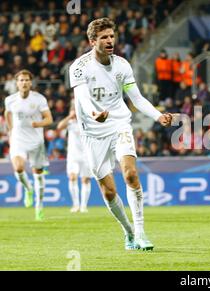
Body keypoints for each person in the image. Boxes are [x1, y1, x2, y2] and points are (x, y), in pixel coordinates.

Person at [69, 18, 172, 251]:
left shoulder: (122, 65)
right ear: (92, 40)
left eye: (112, 36)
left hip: (119, 124)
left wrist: (157, 115)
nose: (110, 41)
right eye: (104, 37)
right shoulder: (79, 67)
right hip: (93, 132)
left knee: (131, 174)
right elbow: (83, 98)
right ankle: (128, 232)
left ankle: (141, 232)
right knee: (109, 190)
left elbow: (136, 98)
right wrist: (95, 113)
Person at [4, 70, 53, 221]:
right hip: (18, 139)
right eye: (21, 80)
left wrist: (38, 123)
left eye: (26, 80)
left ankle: (39, 206)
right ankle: (28, 189)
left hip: (36, 142)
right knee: (18, 168)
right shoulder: (10, 100)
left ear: (31, 82)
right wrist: (11, 131)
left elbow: (49, 119)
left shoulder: (39, 99)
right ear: (16, 83)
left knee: (38, 174)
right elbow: (7, 114)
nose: (24, 83)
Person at [57, 105, 92, 213]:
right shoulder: (70, 124)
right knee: (72, 178)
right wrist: (69, 117)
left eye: (75, 111)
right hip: (73, 155)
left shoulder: (86, 122)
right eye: (73, 111)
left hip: (86, 155)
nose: (74, 114)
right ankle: (76, 205)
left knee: (85, 179)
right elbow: (59, 126)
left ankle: (84, 206)